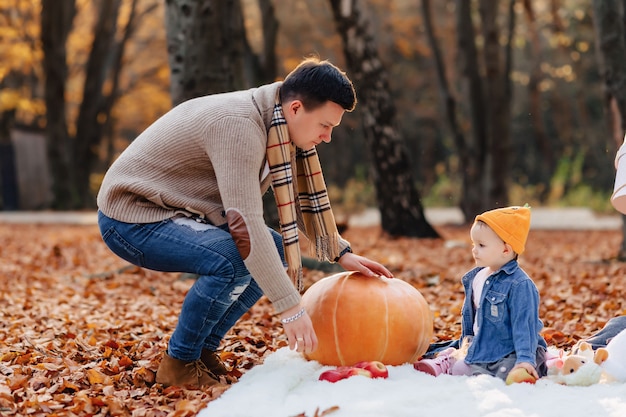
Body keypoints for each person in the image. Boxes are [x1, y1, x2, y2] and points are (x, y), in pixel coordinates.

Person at [96, 57, 393, 389]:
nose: (327, 137)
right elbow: (245, 224)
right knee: (232, 259)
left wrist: (340, 253)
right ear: (296, 108)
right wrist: (290, 307)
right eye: (325, 126)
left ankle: (201, 352)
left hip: (184, 210)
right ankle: (179, 364)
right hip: (133, 216)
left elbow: (299, 198)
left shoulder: (279, 127)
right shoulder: (238, 126)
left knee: (275, 251)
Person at [413, 205, 548, 381]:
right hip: (483, 345)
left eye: (481, 245)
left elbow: (525, 326)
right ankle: (450, 357)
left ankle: (468, 364)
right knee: (462, 368)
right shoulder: (477, 277)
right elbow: (474, 320)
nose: (474, 250)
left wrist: (525, 359)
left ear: (506, 250)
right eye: (473, 244)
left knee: (506, 373)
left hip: (512, 350)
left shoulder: (520, 285)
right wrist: (467, 343)